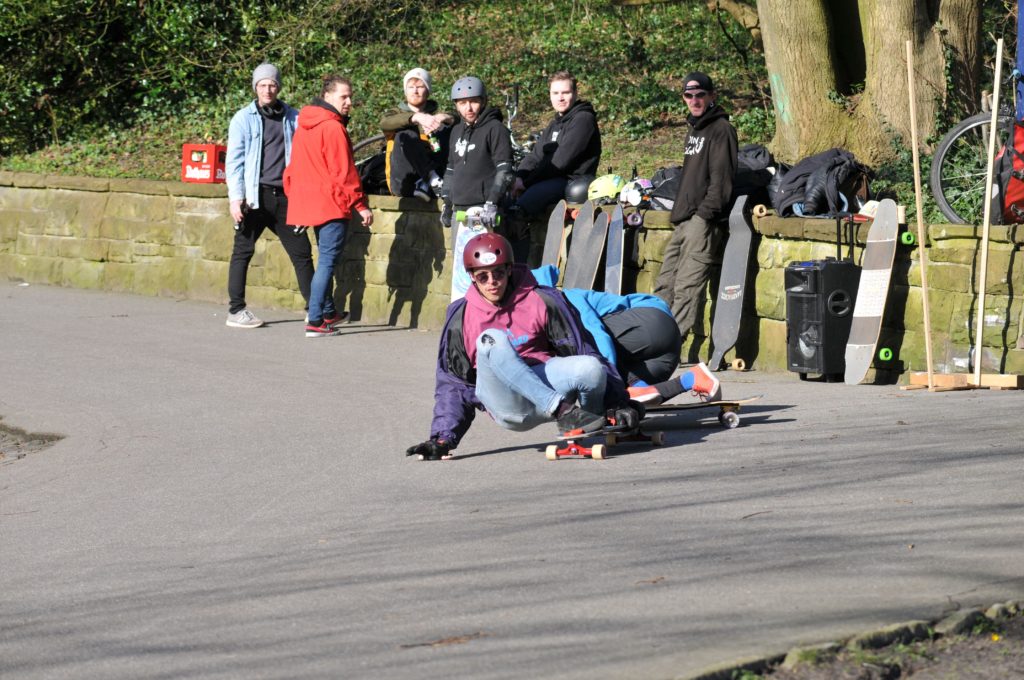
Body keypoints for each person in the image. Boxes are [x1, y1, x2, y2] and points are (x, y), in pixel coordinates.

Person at [405, 233, 641, 461]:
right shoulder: (460, 315)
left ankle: (592, 423)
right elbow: (453, 383)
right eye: (483, 276)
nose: (492, 282)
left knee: (590, 367)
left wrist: (617, 404)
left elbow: (582, 349)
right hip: (507, 403)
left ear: (509, 269)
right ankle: (562, 411)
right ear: (472, 277)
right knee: (491, 339)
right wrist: (443, 438)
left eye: (498, 273)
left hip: (546, 384)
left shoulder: (543, 299)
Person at [533, 265, 721, 405]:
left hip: (650, 322)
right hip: (663, 357)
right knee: (626, 397)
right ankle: (692, 379)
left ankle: (626, 385)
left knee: (581, 349)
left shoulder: (563, 298)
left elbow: (596, 336)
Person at [224, 63, 314, 329]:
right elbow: (234, 161)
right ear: (255, 88)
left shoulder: (294, 118)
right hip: (254, 197)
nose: (267, 89)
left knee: (302, 252)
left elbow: (305, 158)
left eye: (272, 84)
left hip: (285, 197)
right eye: (262, 85)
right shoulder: (243, 118)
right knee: (243, 251)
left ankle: (315, 309)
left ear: (278, 87)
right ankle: (236, 311)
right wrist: (235, 198)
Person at [283, 75, 374, 337]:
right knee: (327, 262)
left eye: (350, 97)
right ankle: (315, 320)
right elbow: (344, 172)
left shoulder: (305, 125)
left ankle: (328, 312)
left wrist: (296, 198)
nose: (349, 102)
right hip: (331, 203)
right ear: (327, 96)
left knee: (324, 259)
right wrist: (360, 204)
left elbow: (292, 169)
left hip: (310, 204)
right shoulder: (333, 127)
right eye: (343, 96)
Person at [652, 71, 738, 341]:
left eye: (700, 95)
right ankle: (653, 340)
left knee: (686, 288)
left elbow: (721, 182)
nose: (694, 100)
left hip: (703, 222)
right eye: (689, 95)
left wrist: (703, 216)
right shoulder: (694, 128)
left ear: (712, 96)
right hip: (683, 220)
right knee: (665, 284)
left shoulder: (721, 130)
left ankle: (670, 348)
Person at [440, 76, 514, 300]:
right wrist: (447, 202)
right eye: (462, 103)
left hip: (485, 212)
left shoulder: (495, 129)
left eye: (473, 101)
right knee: (463, 273)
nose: (468, 108)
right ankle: (463, 315)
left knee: (488, 273)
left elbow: (504, 169)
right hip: (460, 213)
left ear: (483, 101)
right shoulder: (456, 131)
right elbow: (451, 170)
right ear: (456, 105)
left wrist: (492, 202)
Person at [510, 71, 601, 216]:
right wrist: (519, 176)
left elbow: (560, 163)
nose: (560, 98)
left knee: (520, 208)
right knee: (505, 199)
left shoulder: (583, 120)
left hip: (571, 183)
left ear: (575, 93)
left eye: (565, 92)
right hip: (548, 179)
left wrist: (526, 183)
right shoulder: (555, 124)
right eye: (555, 93)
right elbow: (535, 156)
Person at [378, 68, 455, 201]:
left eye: (420, 87)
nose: (415, 91)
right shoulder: (394, 114)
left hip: (437, 184)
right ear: (405, 91)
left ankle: (439, 181)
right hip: (405, 183)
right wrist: (415, 117)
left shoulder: (435, 117)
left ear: (428, 90)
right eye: (411, 87)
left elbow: (462, 120)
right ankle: (431, 177)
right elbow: (384, 123)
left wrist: (447, 117)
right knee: (406, 133)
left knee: (444, 130)